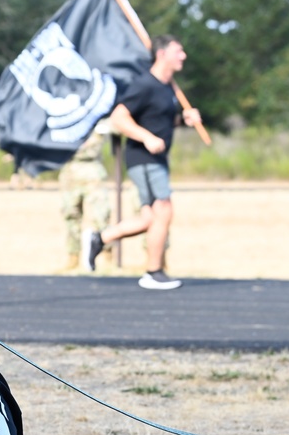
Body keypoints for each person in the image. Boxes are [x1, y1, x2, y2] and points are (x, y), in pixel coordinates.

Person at [86, 34, 201, 290]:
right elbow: (119, 117)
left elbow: (159, 119)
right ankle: (153, 272)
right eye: (178, 51)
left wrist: (184, 120)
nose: (183, 56)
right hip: (144, 157)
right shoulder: (144, 84)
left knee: (149, 219)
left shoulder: (168, 86)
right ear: (162, 54)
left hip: (157, 158)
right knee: (164, 210)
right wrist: (147, 138)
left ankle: (100, 238)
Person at [58, 124, 111, 270]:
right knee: (70, 214)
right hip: (69, 168)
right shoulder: (65, 114)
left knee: (101, 215)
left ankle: (108, 257)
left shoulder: (96, 109)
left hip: (92, 167)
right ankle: (73, 257)